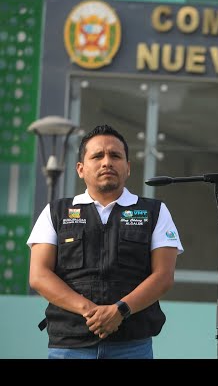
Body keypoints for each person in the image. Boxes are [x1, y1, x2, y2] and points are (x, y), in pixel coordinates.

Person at [27, 124, 184, 359]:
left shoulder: (155, 211)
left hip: (132, 345)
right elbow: (39, 276)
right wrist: (92, 311)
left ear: (128, 168)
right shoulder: (55, 211)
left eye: (115, 155)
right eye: (97, 156)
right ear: (80, 169)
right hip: (69, 345)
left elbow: (163, 276)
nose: (107, 162)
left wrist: (120, 311)